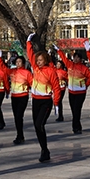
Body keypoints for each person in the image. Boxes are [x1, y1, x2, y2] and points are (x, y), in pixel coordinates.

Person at [26, 33, 63, 162]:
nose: (38, 62)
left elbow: (56, 88)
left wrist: (56, 103)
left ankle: (44, 149)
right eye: (37, 60)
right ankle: (44, 149)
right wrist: (28, 42)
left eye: (40, 60)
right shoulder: (35, 68)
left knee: (39, 124)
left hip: (46, 102)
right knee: (37, 127)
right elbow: (30, 55)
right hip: (35, 100)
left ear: (46, 60)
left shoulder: (51, 72)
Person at [55, 46, 90, 134]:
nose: (76, 59)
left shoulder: (84, 68)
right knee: (73, 110)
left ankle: (76, 127)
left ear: (80, 59)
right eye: (74, 57)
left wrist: (86, 85)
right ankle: (77, 126)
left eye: (77, 58)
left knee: (77, 109)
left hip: (80, 92)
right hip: (71, 92)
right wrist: (59, 50)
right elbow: (63, 58)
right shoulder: (70, 65)